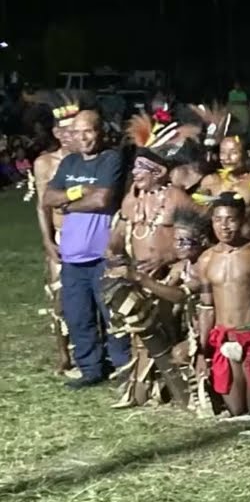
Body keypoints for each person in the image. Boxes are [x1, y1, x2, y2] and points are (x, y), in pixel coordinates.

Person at [109, 115, 201, 407]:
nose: (135, 173)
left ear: (159, 172)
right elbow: (117, 237)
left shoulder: (176, 197)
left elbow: (202, 233)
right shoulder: (131, 200)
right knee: (140, 331)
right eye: (135, 168)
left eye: (142, 168)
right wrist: (114, 254)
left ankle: (177, 386)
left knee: (166, 328)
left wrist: (170, 257)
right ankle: (145, 387)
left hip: (169, 276)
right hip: (137, 275)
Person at [41, 109, 132, 388]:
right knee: (78, 316)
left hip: (103, 253)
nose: (83, 138)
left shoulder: (111, 159)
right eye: (77, 132)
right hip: (72, 255)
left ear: (100, 132)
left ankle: (122, 368)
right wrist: (78, 192)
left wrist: (67, 205)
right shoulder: (70, 162)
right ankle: (91, 369)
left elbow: (103, 200)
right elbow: (48, 197)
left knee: (113, 314)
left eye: (88, 131)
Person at [196, 193, 250, 416]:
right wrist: (202, 351)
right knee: (236, 411)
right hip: (224, 339)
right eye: (218, 220)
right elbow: (206, 308)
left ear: (242, 221)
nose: (224, 226)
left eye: (230, 219)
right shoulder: (206, 260)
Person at [31, 93, 80, 374]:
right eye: (67, 130)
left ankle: (92, 348)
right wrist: (48, 240)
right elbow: (42, 206)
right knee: (59, 296)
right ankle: (64, 354)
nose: (72, 135)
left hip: (89, 235)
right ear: (57, 133)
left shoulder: (90, 160)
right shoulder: (45, 163)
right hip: (62, 235)